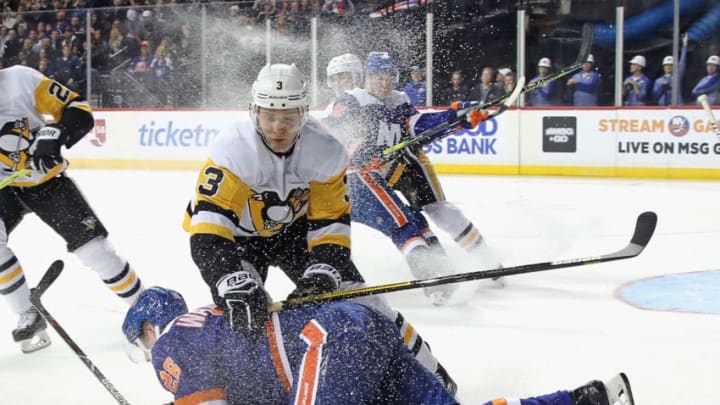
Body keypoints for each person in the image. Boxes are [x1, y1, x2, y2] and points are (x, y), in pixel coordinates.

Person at [185, 62, 457, 394]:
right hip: (238, 241)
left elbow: (331, 222)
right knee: (243, 320)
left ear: (304, 113)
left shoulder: (325, 147)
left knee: (369, 305)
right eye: (269, 116)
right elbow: (208, 231)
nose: (277, 127)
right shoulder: (233, 147)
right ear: (253, 111)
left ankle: (432, 375)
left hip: (294, 235)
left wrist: (325, 268)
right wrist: (227, 278)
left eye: (289, 117)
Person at [123, 286, 637, 405]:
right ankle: (585, 399)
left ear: (149, 327)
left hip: (326, 345)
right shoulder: (208, 317)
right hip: (358, 330)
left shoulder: (170, 346)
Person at [325, 52, 503, 306]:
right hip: (357, 178)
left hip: (392, 168)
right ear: (367, 77)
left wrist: (459, 116)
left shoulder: (399, 101)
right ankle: (432, 279)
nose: (385, 83)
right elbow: (327, 134)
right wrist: (354, 156)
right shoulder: (352, 101)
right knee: (403, 225)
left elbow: (421, 125)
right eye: (378, 77)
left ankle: (449, 272)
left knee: (420, 218)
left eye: (390, 77)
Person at [0, 65, 145, 353]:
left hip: (45, 180)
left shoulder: (20, 80)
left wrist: (58, 131)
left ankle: (144, 305)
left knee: (94, 250)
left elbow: (77, 108)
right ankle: (26, 312)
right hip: (3, 189)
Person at [652, 33, 688, 106]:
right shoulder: (658, 81)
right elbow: (654, 96)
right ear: (663, 67)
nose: (668, 67)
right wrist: (661, 88)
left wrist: (685, 45)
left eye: (671, 65)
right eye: (666, 65)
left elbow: (682, 62)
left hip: (677, 106)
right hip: (663, 109)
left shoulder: (677, 77)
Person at [323, 52, 363, 117]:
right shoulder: (330, 107)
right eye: (334, 79)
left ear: (356, 79)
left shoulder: (365, 100)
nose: (337, 84)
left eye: (342, 78)